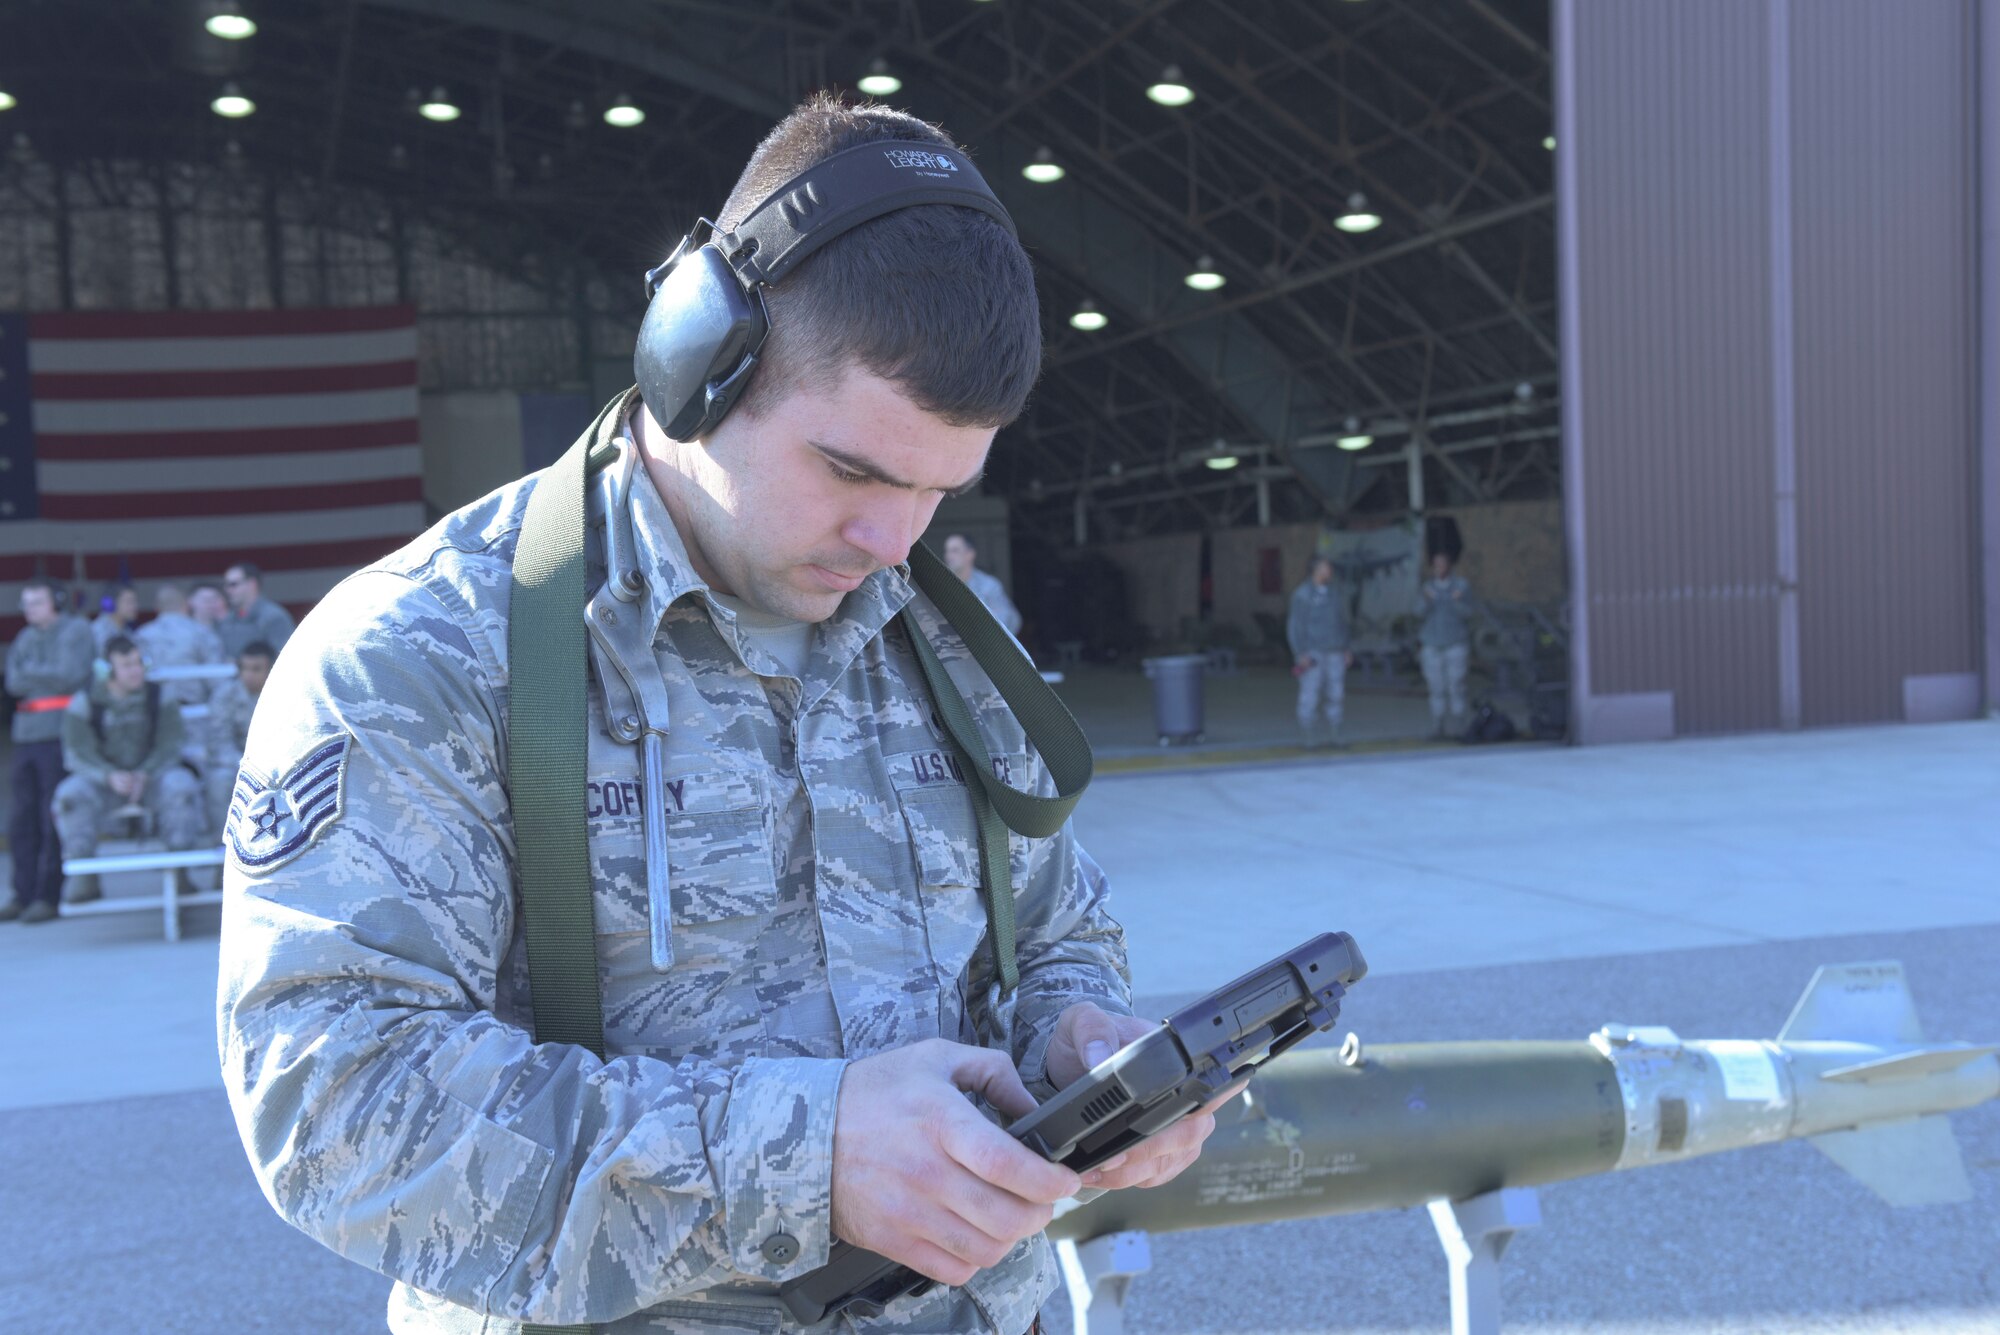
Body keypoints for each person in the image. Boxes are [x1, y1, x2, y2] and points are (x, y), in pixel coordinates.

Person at [217, 97, 1224, 1335]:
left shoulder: (944, 644)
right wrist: (805, 1156)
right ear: (695, 359)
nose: (891, 539)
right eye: (851, 470)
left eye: (938, 489)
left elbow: (1054, 928)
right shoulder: (429, 653)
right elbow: (331, 1109)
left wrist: (1071, 1040)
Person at [53, 637, 206, 903]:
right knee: (69, 795)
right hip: (105, 783)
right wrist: (107, 775)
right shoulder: (86, 701)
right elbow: (77, 753)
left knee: (181, 787)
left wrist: (145, 773)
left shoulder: (160, 696)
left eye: (138, 663)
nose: (136, 671)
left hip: (152, 778)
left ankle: (180, 870)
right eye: (126, 665)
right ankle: (84, 875)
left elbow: (171, 744)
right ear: (107, 670)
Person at [1, 581, 94, 923]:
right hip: (25, 736)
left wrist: (32, 675)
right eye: (25, 603)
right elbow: (12, 682)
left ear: (56, 602)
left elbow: (69, 676)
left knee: (50, 816)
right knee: (21, 820)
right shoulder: (25, 638)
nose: (29, 609)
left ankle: (47, 895)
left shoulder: (76, 630)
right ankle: (20, 893)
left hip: (58, 734)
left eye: (37, 602)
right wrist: (40, 677)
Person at [202, 640, 270, 836]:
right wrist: (247, 767)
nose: (248, 675)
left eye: (256, 669)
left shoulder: (288, 694)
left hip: (277, 763)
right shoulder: (225, 695)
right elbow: (219, 740)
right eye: (244, 668)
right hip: (236, 763)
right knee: (220, 781)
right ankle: (223, 846)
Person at [1287, 554, 1353, 747]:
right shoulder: (1302, 595)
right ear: (1315, 570)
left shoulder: (1335, 593)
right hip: (1313, 653)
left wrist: (1346, 648)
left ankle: (1336, 733)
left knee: (1337, 694)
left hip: (1335, 651)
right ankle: (1308, 734)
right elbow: (1295, 626)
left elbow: (1343, 622)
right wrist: (1300, 653)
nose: (1329, 571)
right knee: (1310, 693)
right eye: (1325, 567)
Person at [134, 583, 228, 708]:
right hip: (195, 710)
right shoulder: (202, 633)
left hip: (154, 710)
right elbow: (217, 679)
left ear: (157, 607)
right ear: (186, 605)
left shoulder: (141, 635)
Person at [1416, 551, 1474, 738]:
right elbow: (1417, 612)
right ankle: (1437, 725)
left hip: (1455, 643)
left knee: (1456, 686)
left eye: (1442, 564)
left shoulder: (1461, 586)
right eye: (1436, 565)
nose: (1439, 568)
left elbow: (1469, 613)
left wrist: (1457, 601)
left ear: (1449, 566)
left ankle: (1459, 725)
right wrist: (1427, 600)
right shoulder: (1427, 587)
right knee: (1436, 687)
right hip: (1432, 644)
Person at [942, 532, 1022, 635]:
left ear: (970, 554)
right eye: (947, 551)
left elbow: (1011, 620)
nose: (949, 556)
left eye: (955, 551)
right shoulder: (941, 584)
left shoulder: (989, 586)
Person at [217, 562, 294, 658]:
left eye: (233, 584)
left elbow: (284, 658)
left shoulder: (274, 617)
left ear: (252, 584)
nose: (227, 590)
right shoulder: (228, 619)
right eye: (226, 585)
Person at [90, 584, 143, 658]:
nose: (135, 606)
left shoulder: (127, 631)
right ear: (112, 604)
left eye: (135, 602)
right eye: (129, 602)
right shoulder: (98, 630)